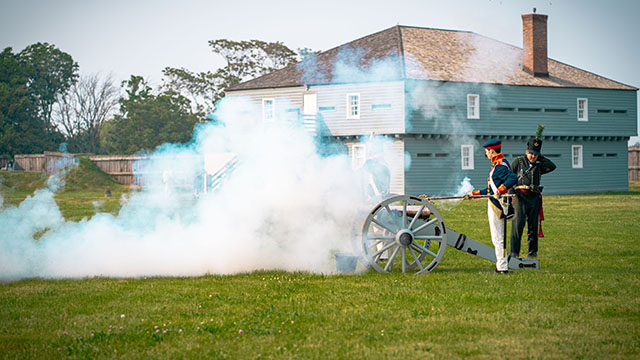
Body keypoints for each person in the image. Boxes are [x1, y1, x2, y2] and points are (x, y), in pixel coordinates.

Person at [464, 139, 518, 273]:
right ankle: (502, 265)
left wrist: (500, 190)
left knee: (498, 237)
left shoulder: (500, 166)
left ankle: (502, 267)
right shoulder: (498, 165)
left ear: (492, 151)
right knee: (498, 237)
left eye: (487, 152)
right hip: (495, 203)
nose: (487, 154)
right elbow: (489, 190)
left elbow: (513, 178)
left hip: (497, 206)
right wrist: (473, 193)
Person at [510, 137, 556, 259]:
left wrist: (540, 157)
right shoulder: (518, 162)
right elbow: (509, 177)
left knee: (533, 227)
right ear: (526, 152)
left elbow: (552, 166)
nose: (532, 156)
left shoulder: (539, 165)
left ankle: (532, 253)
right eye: (531, 153)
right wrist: (511, 194)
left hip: (534, 198)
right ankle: (514, 254)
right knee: (517, 226)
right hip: (520, 197)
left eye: (535, 154)